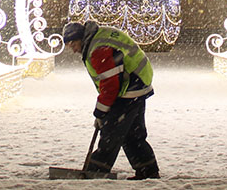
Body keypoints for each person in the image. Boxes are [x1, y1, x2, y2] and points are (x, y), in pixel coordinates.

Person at [62, 20, 160, 179]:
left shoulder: (98, 50)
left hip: (128, 89)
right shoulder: (99, 37)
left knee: (110, 136)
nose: (73, 50)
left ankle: (96, 173)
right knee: (132, 135)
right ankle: (147, 171)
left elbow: (110, 86)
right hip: (138, 84)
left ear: (80, 38)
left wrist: (101, 113)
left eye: (73, 45)